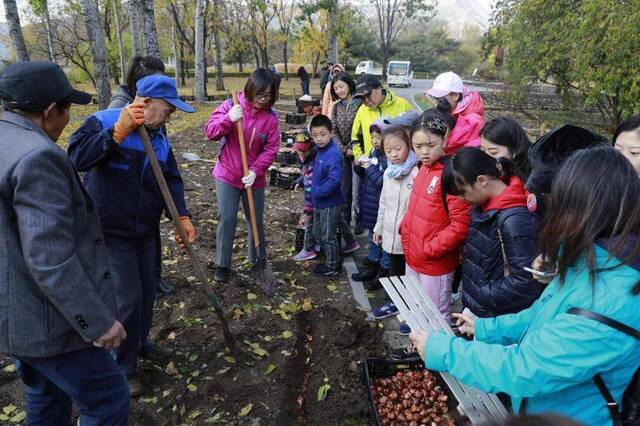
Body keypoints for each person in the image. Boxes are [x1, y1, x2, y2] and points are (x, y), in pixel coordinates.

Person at [410, 146, 640, 426]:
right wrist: (485, 328)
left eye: (558, 200)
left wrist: (443, 351)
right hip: (538, 410)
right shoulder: (588, 264)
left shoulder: (612, 301)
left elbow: (524, 368)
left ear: (582, 209)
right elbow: (540, 316)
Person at [0, 61, 129, 424]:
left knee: (45, 393)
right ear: (48, 111)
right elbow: (50, 258)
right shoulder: (38, 157)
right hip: (48, 323)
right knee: (108, 400)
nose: (69, 119)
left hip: (15, 316)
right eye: (67, 108)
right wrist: (99, 322)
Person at [68, 74, 196, 396]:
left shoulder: (160, 137)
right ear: (147, 102)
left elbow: (171, 179)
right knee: (127, 298)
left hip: (145, 231)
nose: (172, 115)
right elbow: (75, 159)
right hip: (110, 232)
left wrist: (181, 215)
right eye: (168, 108)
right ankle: (122, 368)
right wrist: (115, 135)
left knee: (148, 292)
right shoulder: (103, 121)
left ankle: (139, 343)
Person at [386, 109, 471, 361]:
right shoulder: (423, 169)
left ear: (445, 140)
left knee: (437, 312)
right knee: (417, 307)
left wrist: (431, 248)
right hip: (414, 256)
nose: (424, 151)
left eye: (430, 145)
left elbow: (460, 225)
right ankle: (419, 347)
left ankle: (438, 357)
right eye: (418, 146)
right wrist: (405, 229)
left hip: (435, 262)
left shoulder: (450, 174)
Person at [441, 148, 544, 318]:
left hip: (500, 315)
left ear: (482, 180)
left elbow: (526, 282)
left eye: (462, 192)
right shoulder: (485, 206)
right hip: (484, 309)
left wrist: (480, 294)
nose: (460, 198)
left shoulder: (515, 220)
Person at [107, 55, 176, 297]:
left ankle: (153, 277)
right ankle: (145, 280)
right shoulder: (119, 108)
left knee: (151, 234)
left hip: (149, 196)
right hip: (124, 209)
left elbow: (170, 169)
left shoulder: (157, 113)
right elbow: (93, 156)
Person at [204, 68, 280, 282]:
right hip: (227, 173)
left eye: (268, 96)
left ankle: (257, 260)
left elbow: (271, 148)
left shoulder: (271, 119)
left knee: (255, 219)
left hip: (253, 177)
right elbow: (210, 131)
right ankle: (222, 264)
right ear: (250, 89)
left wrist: (256, 171)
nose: (263, 100)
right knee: (227, 218)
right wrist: (228, 119)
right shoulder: (232, 105)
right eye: (260, 94)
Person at [351, 74, 413, 233]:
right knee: (371, 202)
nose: (365, 101)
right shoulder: (362, 110)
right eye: (361, 98)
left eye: (368, 95)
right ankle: (371, 234)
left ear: (379, 89)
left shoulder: (402, 105)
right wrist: (359, 156)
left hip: (399, 168)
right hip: (371, 168)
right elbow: (356, 137)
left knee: (394, 207)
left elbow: (413, 137)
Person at [368, 125, 418, 295]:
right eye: (389, 150)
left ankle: (404, 301)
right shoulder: (388, 173)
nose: (394, 154)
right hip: (390, 231)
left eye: (398, 148)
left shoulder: (416, 173)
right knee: (393, 269)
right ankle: (395, 301)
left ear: (408, 145)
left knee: (407, 274)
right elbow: (383, 203)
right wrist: (378, 227)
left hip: (409, 236)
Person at [309, 114, 360, 277]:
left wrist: (317, 192)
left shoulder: (332, 154)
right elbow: (317, 172)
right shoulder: (319, 151)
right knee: (320, 232)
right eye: (315, 135)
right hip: (320, 201)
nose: (319, 139)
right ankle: (350, 243)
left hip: (329, 202)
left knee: (327, 235)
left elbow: (334, 180)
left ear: (331, 134)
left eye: (323, 134)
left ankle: (332, 265)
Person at [351, 119, 389, 284]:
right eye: (372, 137)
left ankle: (382, 274)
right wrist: (359, 167)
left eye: (378, 137)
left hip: (381, 207)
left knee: (383, 242)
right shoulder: (373, 152)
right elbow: (367, 176)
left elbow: (382, 182)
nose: (374, 141)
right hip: (370, 204)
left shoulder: (389, 158)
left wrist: (369, 168)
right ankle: (372, 266)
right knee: (373, 238)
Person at [330, 72, 362, 230]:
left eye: (341, 86)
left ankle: (359, 222)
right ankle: (345, 221)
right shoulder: (336, 107)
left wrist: (351, 147)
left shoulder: (361, 103)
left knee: (359, 189)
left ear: (349, 84)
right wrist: (343, 149)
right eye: (336, 88)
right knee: (345, 188)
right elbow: (333, 131)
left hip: (358, 151)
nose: (339, 90)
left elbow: (361, 129)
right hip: (342, 153)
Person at [426, 71, 485, 154]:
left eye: (439, 99)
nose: (436, 102)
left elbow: (448, 146)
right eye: (434, 98)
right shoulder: (452, 111)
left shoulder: (473, 121)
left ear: (455, 95)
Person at [292, 137, 319, 261]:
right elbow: (304, 175)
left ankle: (308, 249)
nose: (300, 154)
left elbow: (310, 189)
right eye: (298, 151)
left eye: (303, 151)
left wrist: (307, 209)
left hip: (314, 200)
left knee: (309, 222)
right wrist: (299, 181)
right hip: (315, 199)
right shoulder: (306, 160)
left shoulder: (313, 164)